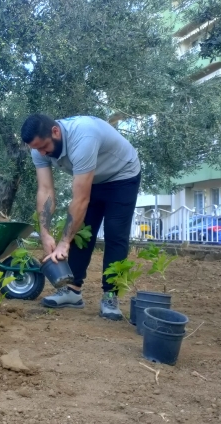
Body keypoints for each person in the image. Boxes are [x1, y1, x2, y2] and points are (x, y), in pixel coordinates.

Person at [21, 114, 141, 321]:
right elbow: (45, 191)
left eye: (44, 147)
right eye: (36, 149)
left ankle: (110, 296)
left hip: (122, 175)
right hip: (94, 178)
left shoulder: (84, 137)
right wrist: (45, 233)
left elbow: (80, 199)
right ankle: (72, 292)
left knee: (115, 234)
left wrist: (63, 242)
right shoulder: (39, 149)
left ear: (55, 132)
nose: (41, 153)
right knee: (82, 232)